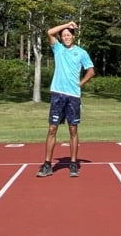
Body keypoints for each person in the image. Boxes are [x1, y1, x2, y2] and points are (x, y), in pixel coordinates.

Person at [36, 21, 95, 178]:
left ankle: (73, 163)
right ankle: (47, 164)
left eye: (69, 35)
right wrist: (66, 25)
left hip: (73, 96)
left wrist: (80, 83)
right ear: (61, 38)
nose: (66, 37)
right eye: (64, 35)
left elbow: (91, 71)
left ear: (73, 37)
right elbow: (49, 32)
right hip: (57, 94)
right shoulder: (58, 49)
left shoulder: (81, 53)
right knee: (52, 129)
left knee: (73, 129)